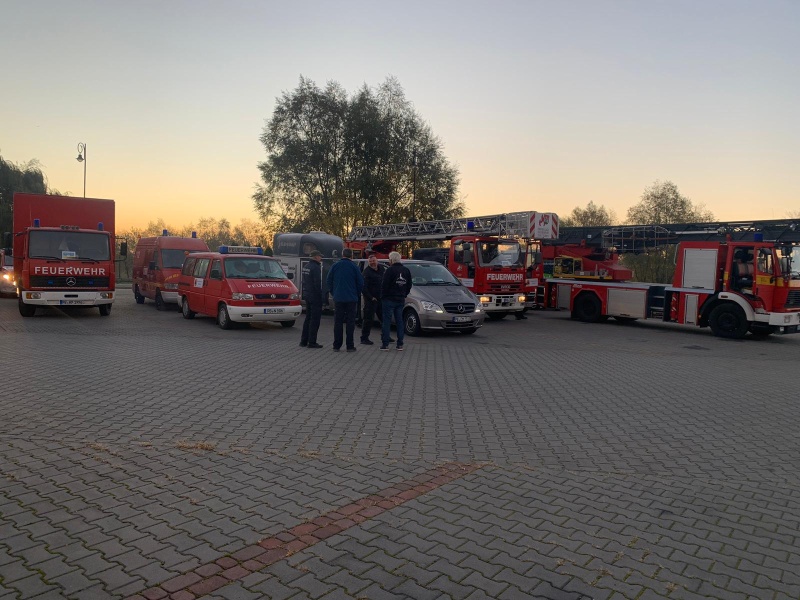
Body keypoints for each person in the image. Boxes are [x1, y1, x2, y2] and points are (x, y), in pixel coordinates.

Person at [326, 247, 364, 352]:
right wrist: (356, 293)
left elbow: (328, 280)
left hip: (338, 298)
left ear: (342, 255)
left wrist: (334, 292)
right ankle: (350, 346)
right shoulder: (354, 267)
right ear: (351, 255)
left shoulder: (335, 265)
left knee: (338, 322)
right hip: (351, 299)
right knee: (350, 323)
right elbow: (360, 283)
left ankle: (336, 345)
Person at [380, 251, 412, 351]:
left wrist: (383, 296)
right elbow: (409, 285)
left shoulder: (389, 270)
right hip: (400, 299)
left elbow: (384, 285)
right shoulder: (406, 270)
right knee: (399, 321)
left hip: (389, 299)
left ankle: (385, 344)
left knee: (387, 322)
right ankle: (400, 344)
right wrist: (404, 294)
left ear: (391, 260)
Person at [360, 252, 387, 345]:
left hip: (381, 298)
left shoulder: (382, 269)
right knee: (368, 319)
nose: (372, 263)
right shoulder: (366, 272)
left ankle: (385, 335)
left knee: (384, 318)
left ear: (377, 261)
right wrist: (371, 297)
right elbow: (363, 287)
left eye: (374, 261)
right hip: (371, 300)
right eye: (370, 261)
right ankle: (364, 338)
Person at [299, 250, 324, 349]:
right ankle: (312, 342)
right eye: (319, 256)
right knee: (315, 320)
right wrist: (320, 296)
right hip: (314, 296)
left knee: (308, 318)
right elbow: (317, 283)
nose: (321, 258)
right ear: (315, 257)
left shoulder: (306, 266)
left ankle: (303, 341)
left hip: (307, 294)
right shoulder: (316, 267)